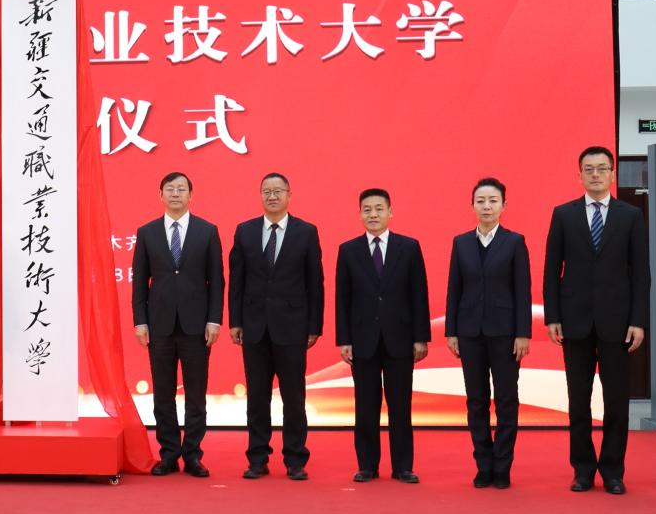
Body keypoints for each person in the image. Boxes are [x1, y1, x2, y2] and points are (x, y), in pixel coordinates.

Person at [543, 146, 649, 495]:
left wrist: (638, 320)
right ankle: (583, 470)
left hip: (618, 324)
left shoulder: (630, 216)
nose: (596, 174)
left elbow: (640, 273)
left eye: (602, 168)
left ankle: (613, 471)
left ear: (613, 174)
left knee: (617, 402)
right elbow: (551, 270)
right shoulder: (563, 214)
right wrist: (553, 316)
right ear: (580, 175)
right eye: (589, 169)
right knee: (578, 402)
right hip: (574, 322)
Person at [227, 171, 323, 480]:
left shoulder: (306, 232)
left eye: (278, 190)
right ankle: (257, 458)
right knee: (257, 397)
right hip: (254, 327)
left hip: (292, 327)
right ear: (260, 196)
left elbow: (315, 283)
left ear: (289, 195)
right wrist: (235, 321)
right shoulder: (245, 231)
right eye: (266, 191)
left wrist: (314, 325)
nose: (272, 196)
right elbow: (237, 281)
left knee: (294, 397)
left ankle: (295, 459)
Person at [335, 188, 430, 484]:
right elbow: (342, 299)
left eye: (379, 209)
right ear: (360, 214)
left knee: (400, 406)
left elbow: (419, 295)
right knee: (365, 406)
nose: (373, 214)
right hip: (362, 340)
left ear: (390, 212)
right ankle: (367, 465)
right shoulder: (348, 250)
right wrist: (344, 339)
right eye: (367, 209)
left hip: (400, 339)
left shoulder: (409, 247)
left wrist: (420, 338)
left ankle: (403, 466)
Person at [132, 171, 224, 478]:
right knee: (163, 394)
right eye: (170, 189)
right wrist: (140, 322)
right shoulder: (147, 232)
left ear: (190, 195)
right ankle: (169, 453)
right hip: (159, 326)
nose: (175, 194)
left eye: (181, 189)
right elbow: (139, 283)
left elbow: (217, 281)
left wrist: (214, 319)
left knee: (196, 395)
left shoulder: (207, 231)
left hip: (197, 326)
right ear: (160, 195)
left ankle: (193, 455)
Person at [445, 177, 532, 490]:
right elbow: (454, 289)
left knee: (506, 400)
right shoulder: (461, 243)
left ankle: (502, 466)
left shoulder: (515, 242)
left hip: (506, 334)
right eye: (481, 201)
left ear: (503, 205)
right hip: (469, 333)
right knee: (476, 400)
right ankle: (483, 465)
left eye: (493, 201)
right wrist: (451, 331)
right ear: (472, 205)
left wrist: (523, 333)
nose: (486, 206)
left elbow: (522, 291)